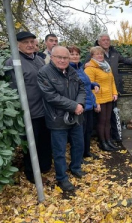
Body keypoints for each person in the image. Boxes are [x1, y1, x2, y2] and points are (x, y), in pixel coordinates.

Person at [5, 31, 52, 184]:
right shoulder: (13, 62)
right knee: (32, 144)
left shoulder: (39, 60)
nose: (30, 45)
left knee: (45, 141)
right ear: (17, 44)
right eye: (26, 42)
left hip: (45, 110)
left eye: (32, 42)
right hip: (29, 113)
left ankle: (45, 168)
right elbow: (12, 90)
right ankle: (32, 175)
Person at [38, 46, 86, 191]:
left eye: (65, 57)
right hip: (57, 118)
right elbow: (51, 96)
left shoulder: (72, 71)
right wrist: (73, 106)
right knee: (59, 151)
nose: (62, 60)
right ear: (52, 57)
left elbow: (82, 88)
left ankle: (76, 167)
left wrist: (80, 103)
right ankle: (62, 178)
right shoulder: (44, 73)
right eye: (59, 57)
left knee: (79, 145)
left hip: (75, 116)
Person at [85, 32, 132, 144]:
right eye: (103, 40)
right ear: (99, 42)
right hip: (99, 96)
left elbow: (124, 59)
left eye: (108, 40)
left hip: (111, 93)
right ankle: (102, 141)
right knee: (101, 120)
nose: (106, 42)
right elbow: (86, 72)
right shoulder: (93, 55)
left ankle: (112, 138)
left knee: (111, 117)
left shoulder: (114, 53)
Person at [84, 46, 119, 152]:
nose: (100, 56)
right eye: (97, 54)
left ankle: (108, 140)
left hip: (109, 98)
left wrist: (114, 93)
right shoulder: (90, 69)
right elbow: (90, 87)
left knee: (107, 121)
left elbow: (111, 80)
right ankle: (102, 142)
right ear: (92, 56)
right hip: (99, 99)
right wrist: (96, 103)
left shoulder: (106, 67)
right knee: (101, 121)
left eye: (101, 54)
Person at [68, 46, 100, 159]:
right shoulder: (68, 70)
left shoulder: (80, 68)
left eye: (77, 54)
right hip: (79, 107)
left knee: (88, 131)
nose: (75, 56)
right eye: (72, 54)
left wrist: (94, 85)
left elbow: (86, 85)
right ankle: (78, 158)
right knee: (79, 135)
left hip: (89, 106)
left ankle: (86, 152)